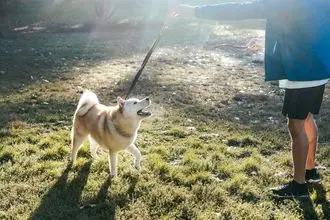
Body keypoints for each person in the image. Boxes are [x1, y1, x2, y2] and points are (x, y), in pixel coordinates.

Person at [170, 0, 330, 199]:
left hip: (302, 70)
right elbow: (299, 25)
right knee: (306, 118)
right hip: (319, 66)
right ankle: (309, 171)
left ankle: (299, 186)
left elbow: (241, 9)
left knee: (296, 125)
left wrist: (194, 11)